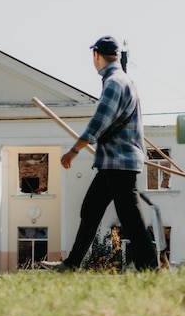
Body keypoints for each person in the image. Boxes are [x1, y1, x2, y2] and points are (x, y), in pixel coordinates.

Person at [41, 36, 158, 272]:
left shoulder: (115, 82)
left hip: (119, 162)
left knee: (131, 218)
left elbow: (99, 122)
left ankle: (151, 268)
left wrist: (74, 150)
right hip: (113, 161)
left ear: (96, 55)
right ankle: (72, 263)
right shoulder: (123, 80)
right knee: (91, 210)